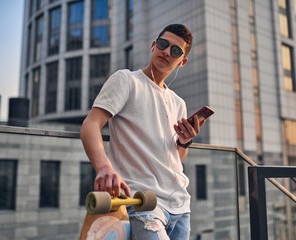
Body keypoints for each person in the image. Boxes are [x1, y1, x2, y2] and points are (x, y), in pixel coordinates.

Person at [80, 23, 206, 240]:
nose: (167, 51)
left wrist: (183, 142)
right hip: (143, 201)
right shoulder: (126, 80)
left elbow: (176, 158)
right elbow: (91, 125)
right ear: (153, 45)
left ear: (182, 62)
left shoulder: (179, 103)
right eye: (163, 44)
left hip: (180, 206)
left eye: (175, 50)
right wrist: (104, 169)